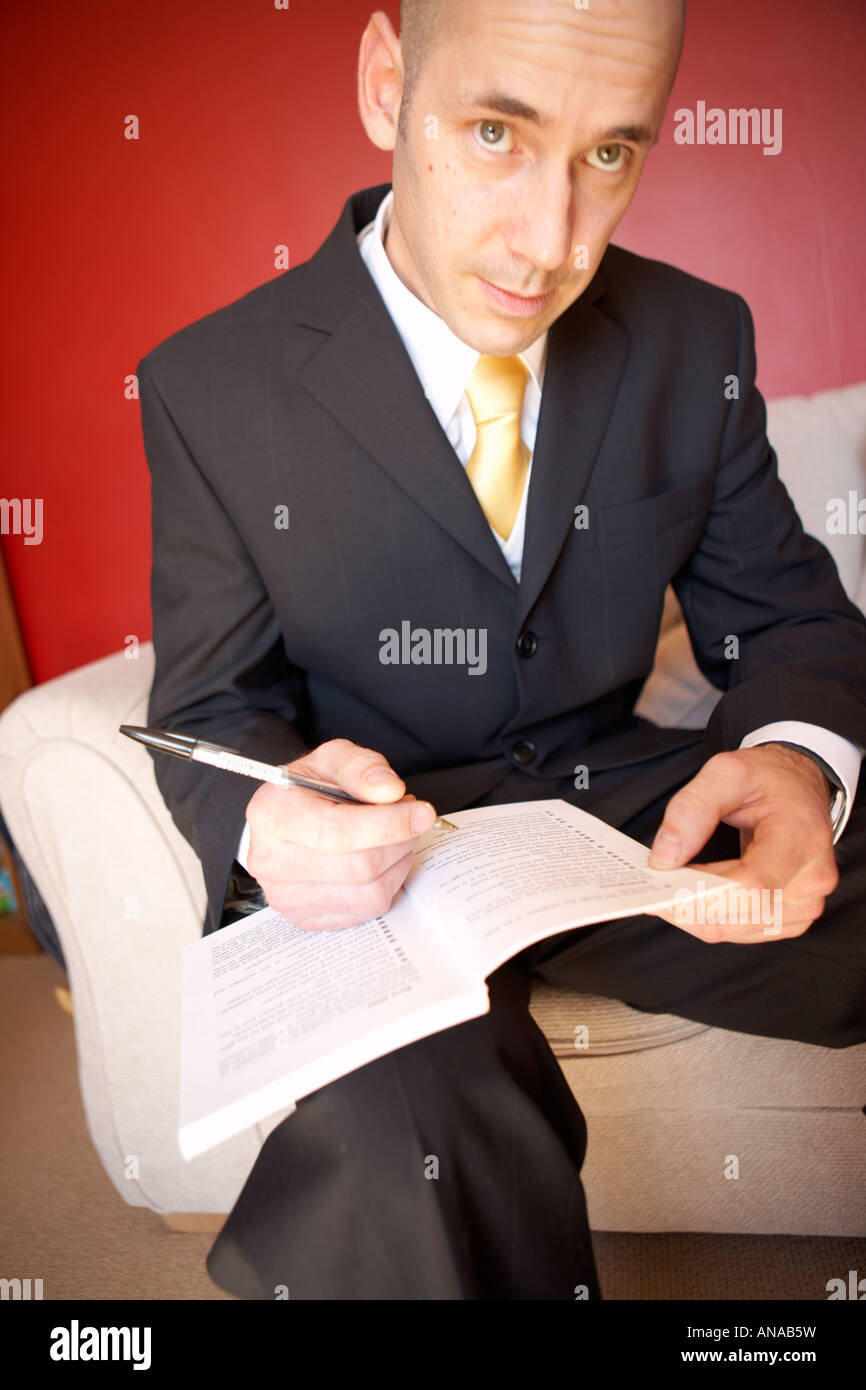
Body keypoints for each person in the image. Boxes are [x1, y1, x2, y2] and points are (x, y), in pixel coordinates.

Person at [137, 0, 866, 1299]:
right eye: (494, 132)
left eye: (607, 156)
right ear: (384, 85)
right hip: (371, 864)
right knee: (388, 1141)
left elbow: (794, 620)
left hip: (623, 813)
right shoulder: (209, 387)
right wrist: (265, 817)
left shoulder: (693, 338)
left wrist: (801, 763)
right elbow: (210, 700)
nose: (551, 244)